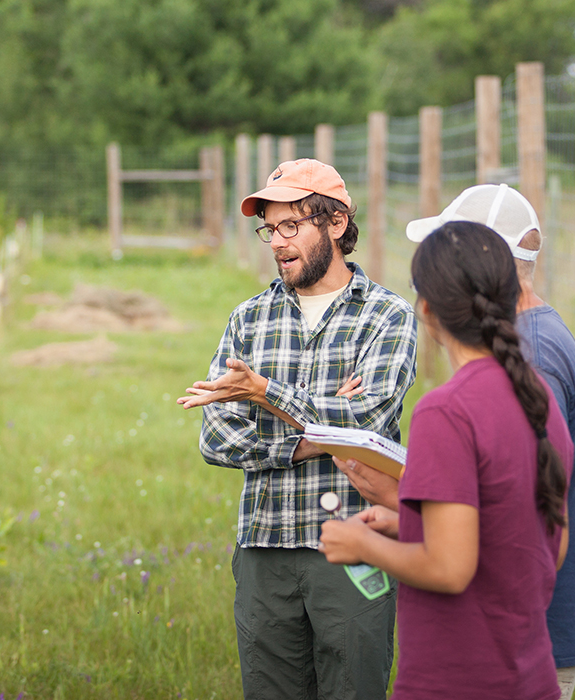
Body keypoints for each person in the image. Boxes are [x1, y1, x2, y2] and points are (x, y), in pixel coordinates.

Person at [338, 183, 575, 698]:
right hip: (530, 666)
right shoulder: (533, 381)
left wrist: (362, 541)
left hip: (463, 670)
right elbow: (543, 531)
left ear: (429, 309)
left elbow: (453, 567)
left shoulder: (452, 406)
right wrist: (408, 518)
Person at [177, 158, 418, 699]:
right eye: (269, 229)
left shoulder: (387, 316)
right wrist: (312, 437)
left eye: (292, 226)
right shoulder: (248, 319)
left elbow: (370, 421)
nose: (277, 242)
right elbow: (215, 438)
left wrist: (264, 394)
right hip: (264, 546)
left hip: (357, 549)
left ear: (336, 224)